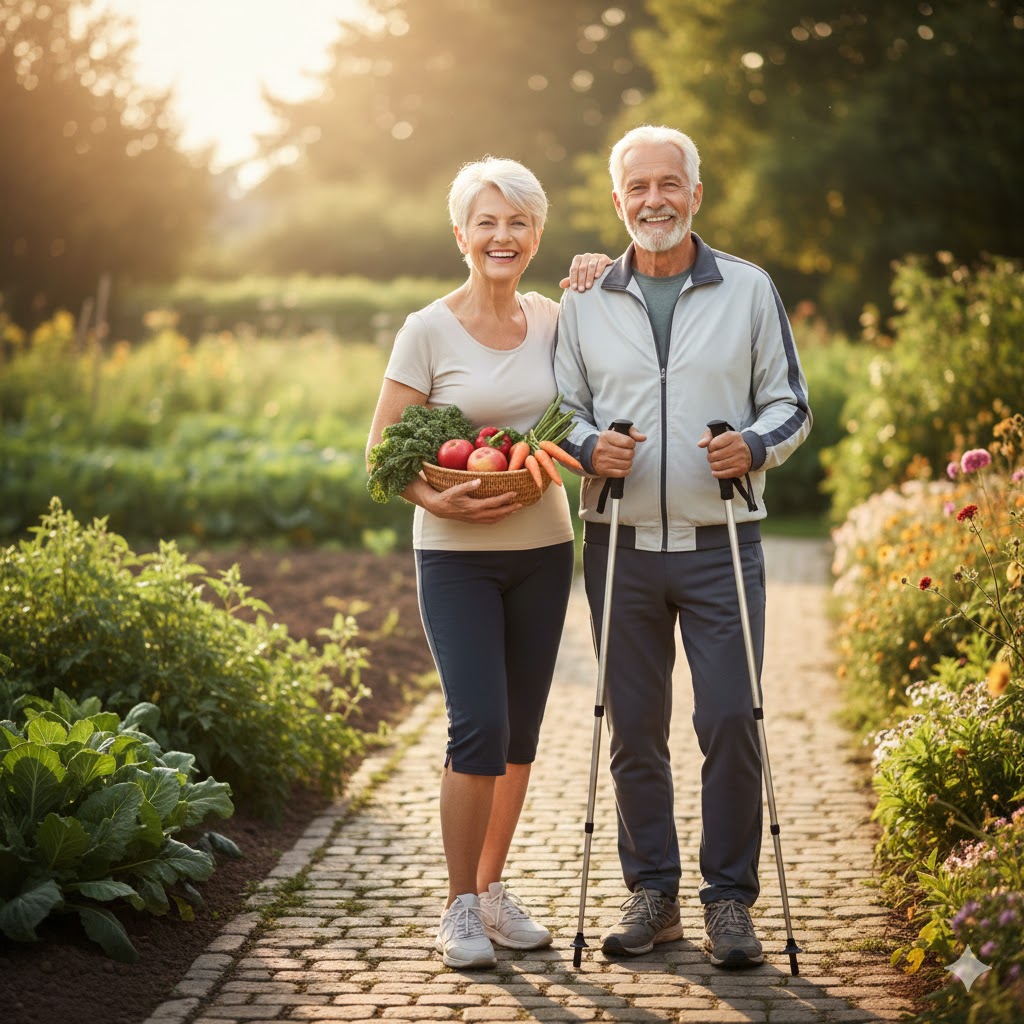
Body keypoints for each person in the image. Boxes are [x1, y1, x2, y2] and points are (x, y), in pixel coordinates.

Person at [554, 125, 812, 968]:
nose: (654, 200)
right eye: (638, 188)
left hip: (721, 543)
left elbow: (792, 403)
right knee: (632, 726)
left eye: (671, 184)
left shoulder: (748, 288)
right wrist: (591, 449)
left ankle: (729, 903)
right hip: (619, 543)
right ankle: (653, 893)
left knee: (731, 718)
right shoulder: (586, 297)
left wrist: (756, 444)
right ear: (618, 198)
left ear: (696, 195)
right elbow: (561, 409)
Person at [366, 158, 605, 970]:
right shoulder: (426, 328)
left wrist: (606, 273)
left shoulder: (553, 318)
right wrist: (436, 502)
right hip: (456, 560)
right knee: (478, 727)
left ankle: (496, 893)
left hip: (543, 550)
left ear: (536, 235)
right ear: (461, 234)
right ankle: (458, 905)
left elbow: (587, 405)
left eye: (518, 223)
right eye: (487, 222)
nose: (502, 237)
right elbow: (382, 454)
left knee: (522, 734)